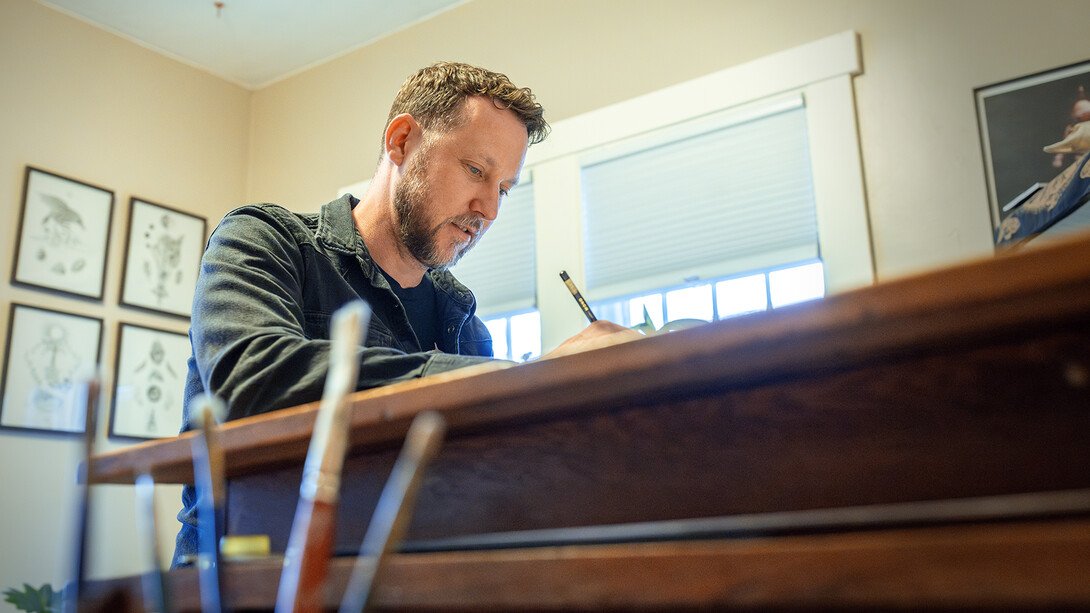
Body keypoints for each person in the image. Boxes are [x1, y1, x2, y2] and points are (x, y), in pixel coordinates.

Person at [172, 61, 637, 565]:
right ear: (400, 141)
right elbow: (253, 384)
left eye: (502, 189)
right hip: (243, 576)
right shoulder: (264, 242)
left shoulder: (463, 328)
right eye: (476, 171)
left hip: (399, 580)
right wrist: (514, 379)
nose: (489, 210)